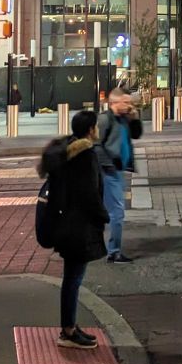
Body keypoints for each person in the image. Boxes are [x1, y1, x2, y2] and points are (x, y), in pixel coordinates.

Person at [39, 110, 108, 349]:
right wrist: (103, 215)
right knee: (73, 279)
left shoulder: (68, 150)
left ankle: (69, 326)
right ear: (91, 129)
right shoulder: (85, 155)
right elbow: (89, 192)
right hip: (79, 225)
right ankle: (68, 331)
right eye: (96, 126)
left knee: (72, 277)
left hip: (66, 222)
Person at [96, 88, 136, 263]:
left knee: (111, 211)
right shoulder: (104, 119)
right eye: (125, 102)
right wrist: (109, 164)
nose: (128, 105)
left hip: (117, 170)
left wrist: (132, 117)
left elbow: (133, 135)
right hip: (109, 171)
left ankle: (110, 249)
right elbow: (96, 145)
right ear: (114, 102)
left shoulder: (122, 119)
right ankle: (114, 251)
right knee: (117, 212)